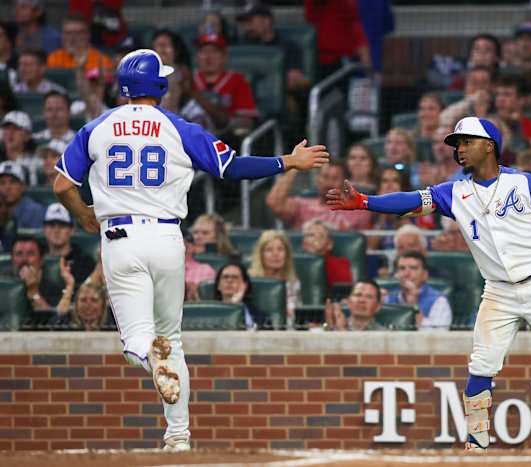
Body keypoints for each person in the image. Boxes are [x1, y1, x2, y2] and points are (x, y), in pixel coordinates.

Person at [51, 49, 329, 451]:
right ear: (159, 86)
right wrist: (288, 160)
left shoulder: (97, 127)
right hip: (167, 238)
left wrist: (83, 216)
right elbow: (232, 167)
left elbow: (61, 184)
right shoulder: (178, 127)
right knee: (172, 339)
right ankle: (178, 436)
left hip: (120, 238)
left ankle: (150, 358)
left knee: (137, 345)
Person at [326, 116, 531, 452]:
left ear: (490, 145)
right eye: (457, 144)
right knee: (481, 365)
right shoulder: (454, 192)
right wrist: (366, 202)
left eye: (466, 141)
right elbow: (413, 200)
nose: (459, 149)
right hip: (498, 289)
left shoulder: (525, 184)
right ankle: (476, 443)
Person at [266, 160, 372, 231]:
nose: (329, 183)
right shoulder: (301, 206)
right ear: (317, 179)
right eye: (325, 177)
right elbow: (274, 203)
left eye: (335, 178)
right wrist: (295, 166)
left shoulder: (358, 211)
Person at [193, 33, 258, 137]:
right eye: (204, 51)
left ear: (225, 57)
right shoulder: (188, 80)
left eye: (214, 52)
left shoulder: (237, 80)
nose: (208, 57)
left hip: (226, 140)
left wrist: (227, 124)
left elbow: (247, 121)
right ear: (197, 57)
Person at [385, 250, 452, 331]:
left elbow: (439, 336)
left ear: (425, 275)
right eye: (402, 268)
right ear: (397, 274)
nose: (407, 273)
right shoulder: (387, 298)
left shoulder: (439, 301)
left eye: (413, 268)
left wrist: (414, 306)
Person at [248, 229, 300, 326]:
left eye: (280, 249)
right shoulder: (250, 281)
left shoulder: (293, 282)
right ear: (261, 255)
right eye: (269, 250)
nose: (275, 254)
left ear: (286, 254)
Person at [42, 202, 95, 285]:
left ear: (72, 230)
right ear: (44, 230)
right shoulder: (37, 257)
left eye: (62, 225)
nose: (56, 230)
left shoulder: (84, 262)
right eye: (51, 225)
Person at [47, 14, 113, 72]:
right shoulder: (54, 58)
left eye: (78, 33)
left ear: (88, 35)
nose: (72, 38)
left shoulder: (102, 61)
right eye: (68, 33)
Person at [301, 219, 352, 290]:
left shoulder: (340, 264)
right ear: (303, 243)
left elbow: (343, 291)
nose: (315, 239)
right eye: (310, 235)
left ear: (329, 244)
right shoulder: (293, 263)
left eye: (321, 236)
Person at [214, 261, 262, 329]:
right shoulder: (209, 312)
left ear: (245, 285)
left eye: (235, 277)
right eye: (225, 277)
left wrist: (236, 304)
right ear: (218, 285)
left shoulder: (259, 316)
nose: (229, 280)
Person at [0, 160, 45, 230]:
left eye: (13, 182)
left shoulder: (34, 211)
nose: (7, 187)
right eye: (2, 183)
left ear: (23, 186)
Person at [1, 110, 41, 186]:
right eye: (6, 128)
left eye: (16, 129)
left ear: (27, 135)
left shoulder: (37, 162)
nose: (10, 132)